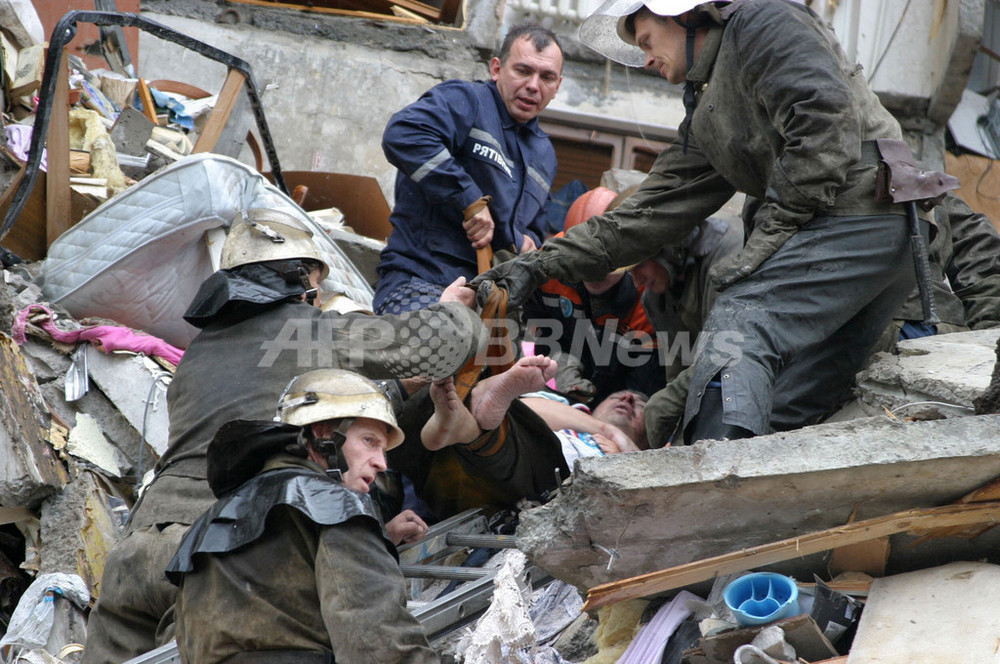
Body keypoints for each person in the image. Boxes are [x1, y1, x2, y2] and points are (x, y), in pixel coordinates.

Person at [472, 0, 947, 447]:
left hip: (864, 214)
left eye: (645, 37)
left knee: (738, 325)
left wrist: (772, 233)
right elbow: (642, 217)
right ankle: (749, 519)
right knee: (791, 400)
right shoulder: (708, 110)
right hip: (882, 231)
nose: (645, 56)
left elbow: (826, 122)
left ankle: (712, 474)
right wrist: (538, 266)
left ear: (683, 15)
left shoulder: (763, 21)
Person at [83, 209, 485, 663]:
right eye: (316, 283)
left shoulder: (199, 353)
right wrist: (456, 309)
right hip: (216, 548)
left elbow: (269, 397)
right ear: (299, 281)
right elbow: (436, 343)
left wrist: (386, 395)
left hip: (136, 549)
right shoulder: (303, 329)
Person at [166, 369, 438, 664]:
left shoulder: (209, 522)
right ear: (323, 433)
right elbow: (378, 646)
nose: (382, 463)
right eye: (369, 441)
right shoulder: (336, 507)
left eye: (384, 451)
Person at [373, 25, 564, 314]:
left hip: (485, 301)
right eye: (523, 71)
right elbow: (404, 134)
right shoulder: (466, 101)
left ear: (557, 85)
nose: (534, 85)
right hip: (420, 281)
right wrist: (469, 200)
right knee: (435, 340)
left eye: (546, 77)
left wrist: (528, 243)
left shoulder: (544, 154)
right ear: (497, 69)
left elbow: (535, 228)